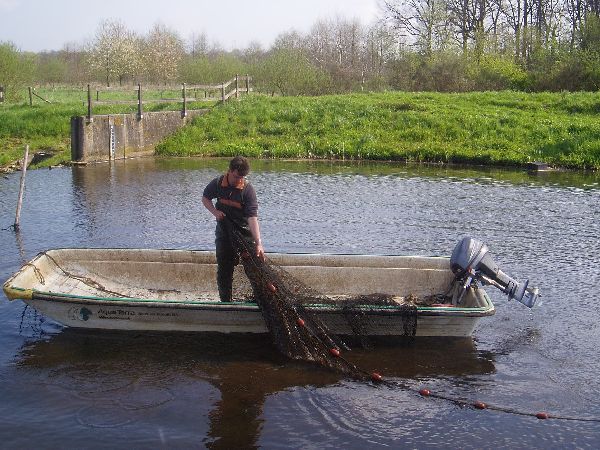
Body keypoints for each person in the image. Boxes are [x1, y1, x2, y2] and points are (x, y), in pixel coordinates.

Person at [202, 156, 265, 302]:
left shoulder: (248, 190)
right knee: (224, 269)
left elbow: (252, 218)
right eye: (237, 177)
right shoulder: (218, 183)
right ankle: (226, 302)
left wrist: (258, 243)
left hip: (244, 235)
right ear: (229, 171)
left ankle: (260, 299)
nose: (239, 180)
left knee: (254, 269)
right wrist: (215, 212)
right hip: (224, 233)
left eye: (242, 177)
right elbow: (205, 198)